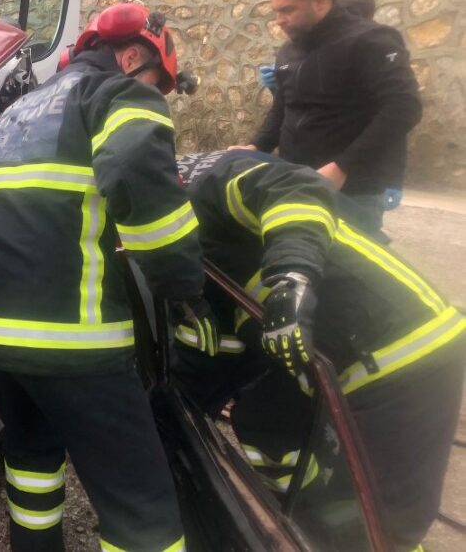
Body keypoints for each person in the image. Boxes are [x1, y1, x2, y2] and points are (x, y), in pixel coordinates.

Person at [0, 2, 213, 552]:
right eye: (159, 85)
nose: (158, 96)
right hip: (71, 340)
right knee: (142, 508)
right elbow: (137, 183)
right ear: (132, 55)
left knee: (32, 463)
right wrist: (186, 287)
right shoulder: (120, 94)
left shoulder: (18, 112)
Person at [172, 149, 465, 551]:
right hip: (324, 356)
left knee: (379, 526)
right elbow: (216, 344)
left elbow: (297, 187)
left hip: (406, 352)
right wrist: (173, 414)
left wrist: (291, 275)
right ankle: (308, 520)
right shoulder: (171, 215)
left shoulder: (211, 180)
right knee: (264, 423)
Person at [231, 0, 421, 233]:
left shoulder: (370, 40)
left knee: (349, 272)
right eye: (275, 11)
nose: (278, 20)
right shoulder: (288, 50)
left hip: (354, 189)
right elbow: (284, 108)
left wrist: (343, 167)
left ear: (319, 3)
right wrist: (257, 146)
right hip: (297, 180)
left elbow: (404, 107)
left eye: (287, 10)